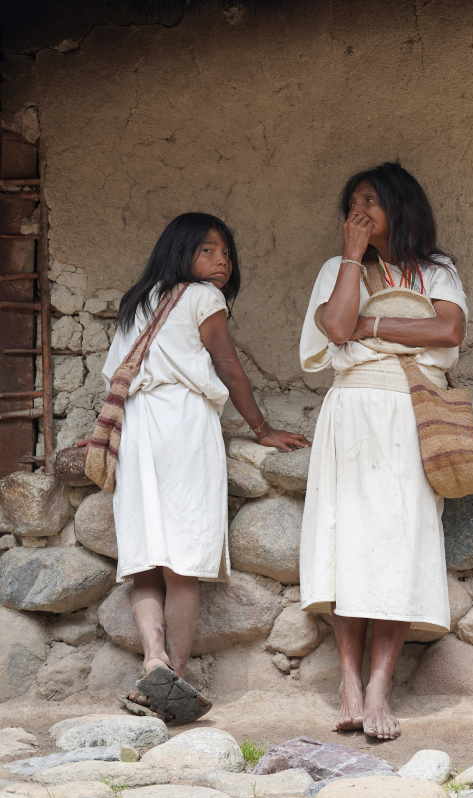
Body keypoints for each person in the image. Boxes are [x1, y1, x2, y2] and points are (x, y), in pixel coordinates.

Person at [104, 212, 309, 723]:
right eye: (207, 251)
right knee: (184, 560)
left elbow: (116, 371)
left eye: (225, 252)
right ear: (181, 253)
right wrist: (262, 429)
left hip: (137, 427)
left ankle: (151, 660)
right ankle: (173, 672)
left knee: (146, 555)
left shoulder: (139, 300)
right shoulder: (203, 298)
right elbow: (229, 367)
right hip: (181, 425)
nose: (221, 261)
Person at [298, 162, 467, 740]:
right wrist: (352, 256)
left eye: (372, 200)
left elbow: (448, 331)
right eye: (353, 203)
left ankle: (379, 689)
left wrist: (372, 325)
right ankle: (348, 682)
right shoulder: (335, 269)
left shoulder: (435, 271)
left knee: (398, 546)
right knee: (350, 545)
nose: (360, 211)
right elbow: (338, 327)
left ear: (401, 206)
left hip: (410, 410)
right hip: (353, 413)